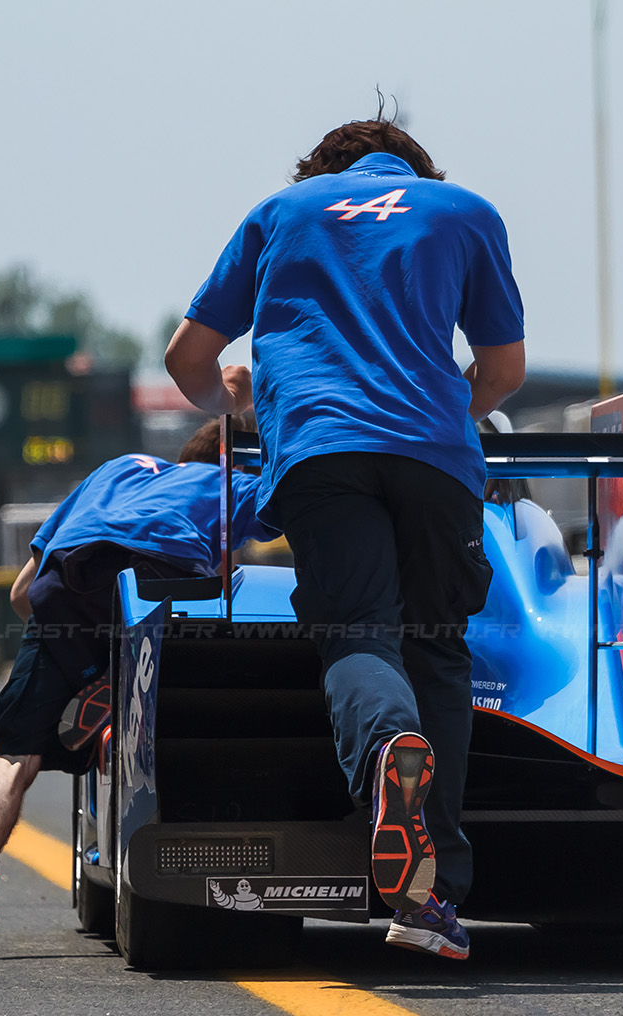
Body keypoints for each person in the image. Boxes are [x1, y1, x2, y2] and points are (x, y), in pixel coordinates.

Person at [165, 113, 525, 960]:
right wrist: (436, 417)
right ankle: (429, 898)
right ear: (414, 168)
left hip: (322, 454)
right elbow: (503, 371)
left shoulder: (282, 213)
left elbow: (189, 361)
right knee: (436, 647)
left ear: (322, 167)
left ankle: (389, 752)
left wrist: (247, 407)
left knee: (359, 632)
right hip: (438, 459)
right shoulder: (463, 211)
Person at [0, 419, 265, 958]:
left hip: (71, 583)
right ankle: (122, 686)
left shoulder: (116, 469)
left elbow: (22, 592)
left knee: (13, 754)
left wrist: (64, 647)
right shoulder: (233, 484)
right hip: (160, 584)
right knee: (186, 659)